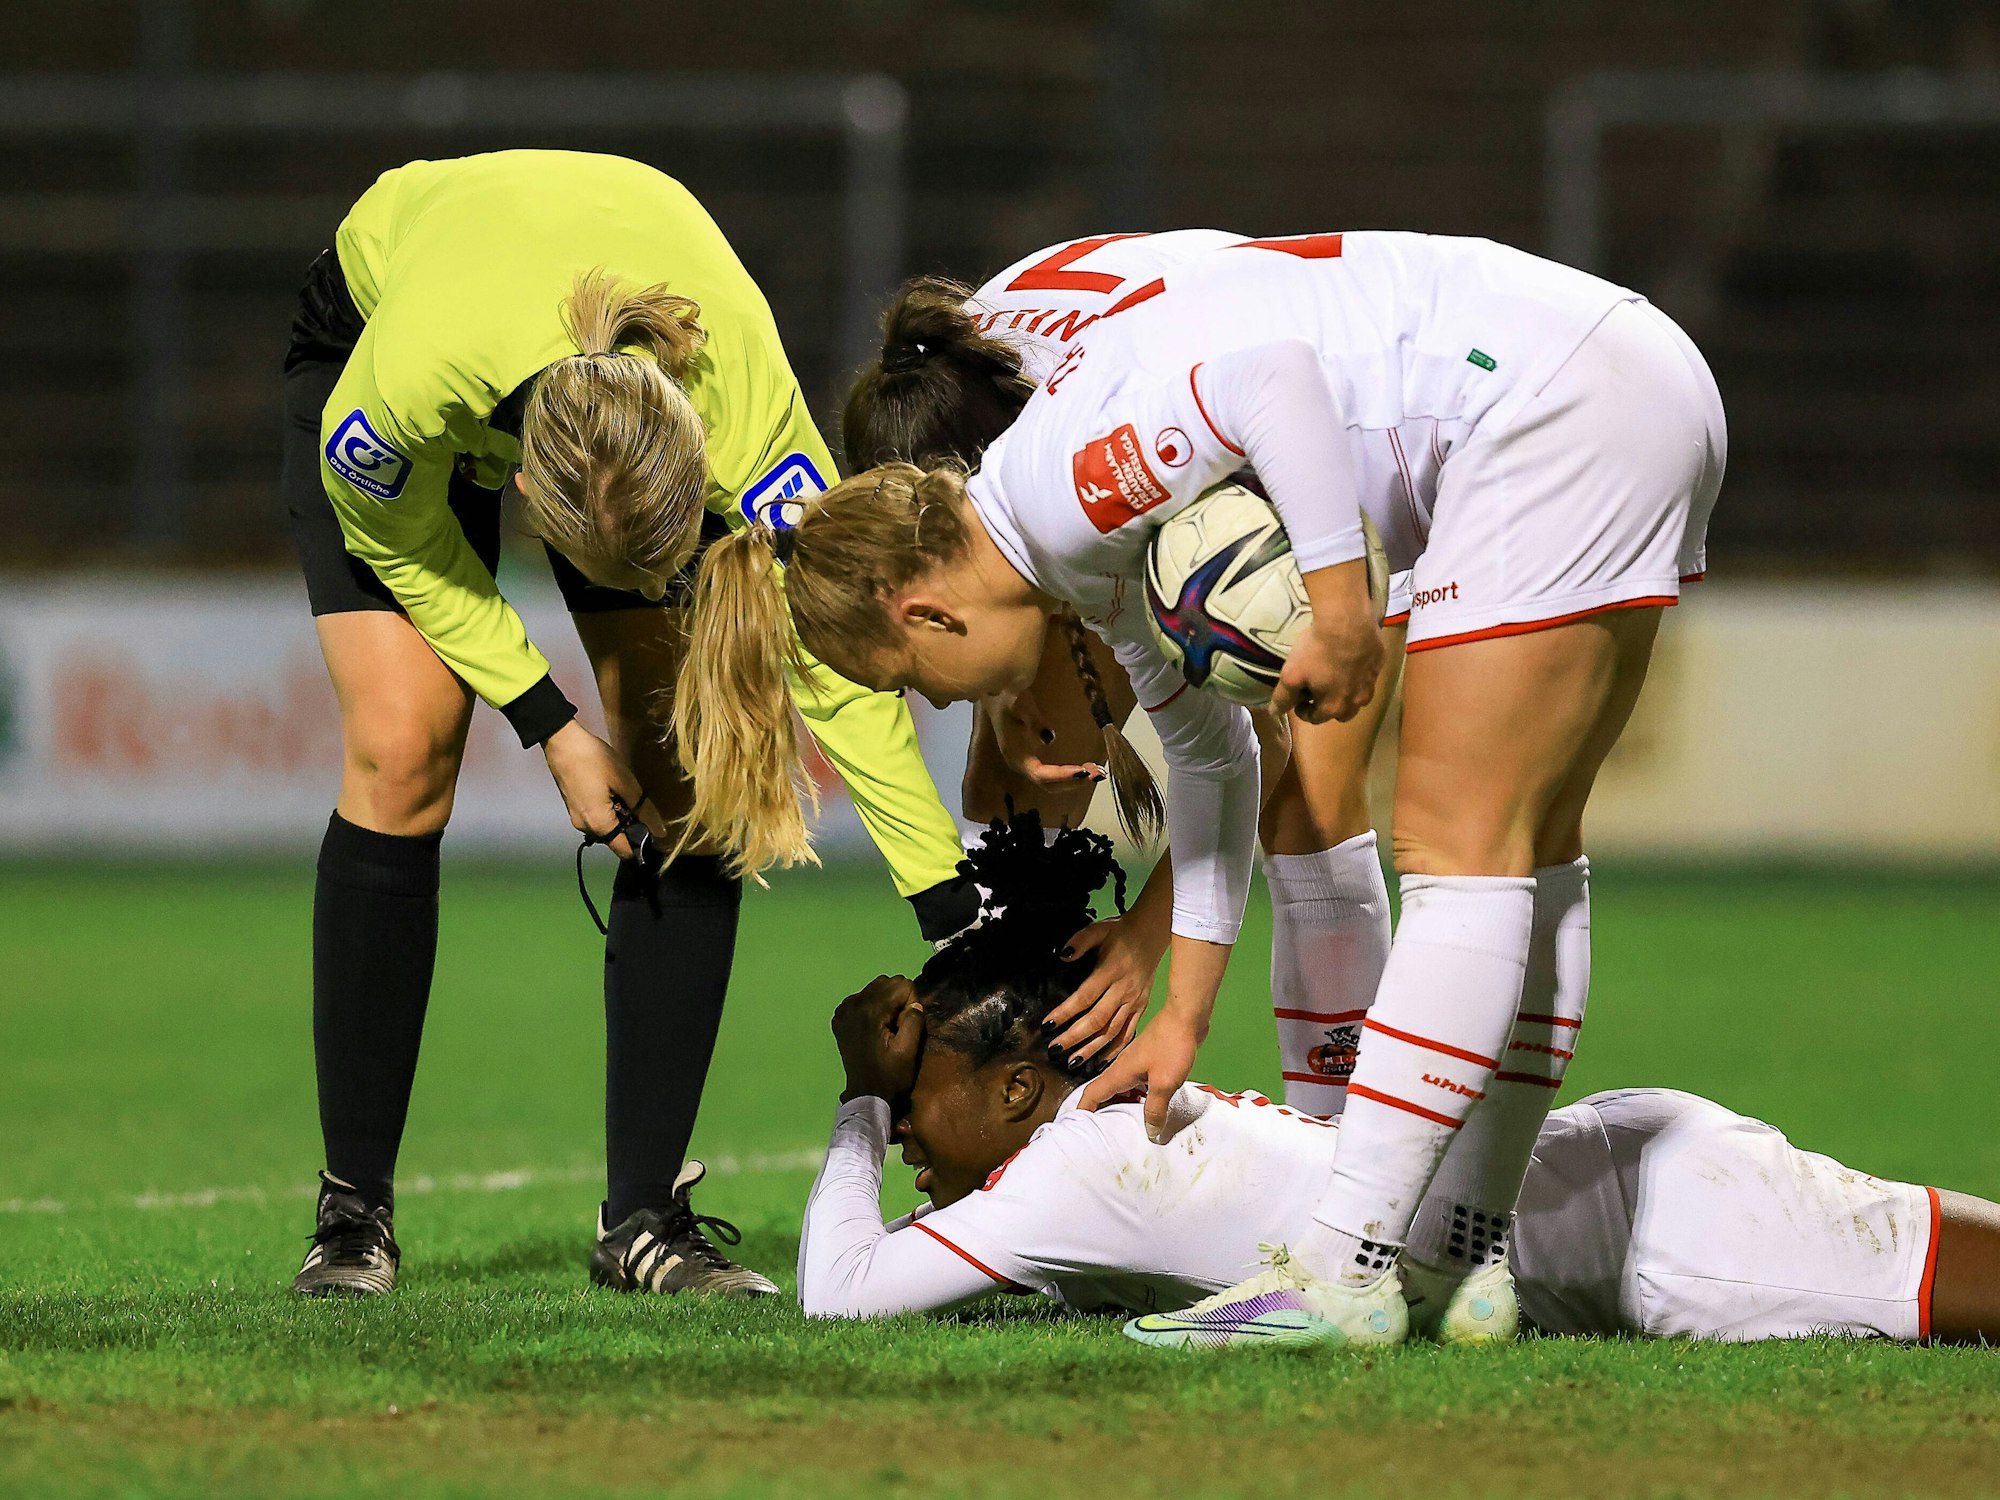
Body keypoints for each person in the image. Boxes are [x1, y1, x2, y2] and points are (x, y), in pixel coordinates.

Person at [677, 228, 1727, 1343]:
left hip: (1541, 401)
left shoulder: (1068, 491)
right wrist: (1180, 1013)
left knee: (1455, 846)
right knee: (1528, 848)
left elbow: (1267, 380)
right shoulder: (1083, 555)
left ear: (923, 612)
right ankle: (1458, 1262)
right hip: (1594, 377)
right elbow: (1215, 762)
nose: (934, 707)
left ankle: (1343, 1271)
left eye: (907, 680)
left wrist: (1334, 602)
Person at [282, 149, 974, 1298]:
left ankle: (642, 1219)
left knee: (685, 768)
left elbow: (833, 656)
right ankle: (351, 1213)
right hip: (376, 305)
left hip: (616, 322)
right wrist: (549, 719)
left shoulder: (739, 399)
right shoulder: (400, 395)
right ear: (526, 492)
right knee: (403, 749)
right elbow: (406, 543)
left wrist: (945, 902)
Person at [797, 820, 2000, 1347]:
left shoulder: (1073, 1166)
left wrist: (853, 1097)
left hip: (1648, 1239)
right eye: (894, 1097)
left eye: (917, 1089)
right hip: (1599, 1175)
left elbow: (840, 1290)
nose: (903, 1120)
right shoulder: (1090, 1148)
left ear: (1018, 1089)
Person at [843, 232, 1408, 1108]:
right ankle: (1029, 1096)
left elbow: (1259, 746)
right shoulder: (947, 407)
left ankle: (1345, 1149)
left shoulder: (1070, 469)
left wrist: (1148, 937)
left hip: (1324, 429)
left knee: (1311, 803)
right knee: (1020, 769)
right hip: (1192, 383)